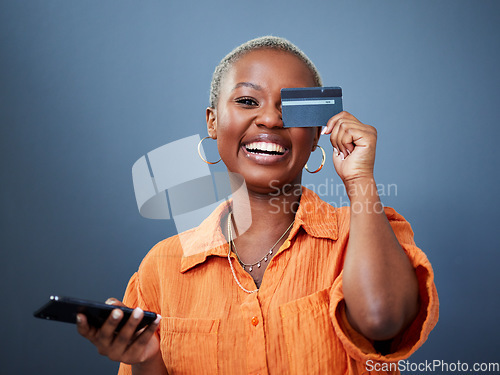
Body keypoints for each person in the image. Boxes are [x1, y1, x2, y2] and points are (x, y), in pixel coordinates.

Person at [77, 36, 439, 374]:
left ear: (315, 135)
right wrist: (146, 359)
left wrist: (360, 181)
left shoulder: (368, 233)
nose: (269, 119)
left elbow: (382, 319)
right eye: (248, 101)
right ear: (213, 122)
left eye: (291, 107)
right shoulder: (161, 268)